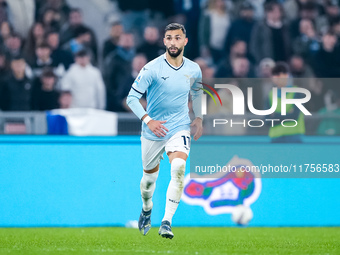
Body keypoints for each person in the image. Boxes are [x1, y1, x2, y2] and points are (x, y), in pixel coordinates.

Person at [126, 23, 203, 239]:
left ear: (185, 41)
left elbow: (197, 95)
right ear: (164, 41)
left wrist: (198, 118)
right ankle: (146, 209)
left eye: (177, 38)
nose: (173, 42)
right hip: (153, 130)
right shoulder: (152, 68)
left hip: (179, 126)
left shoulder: (193, 69)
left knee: (178, 167)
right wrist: (148, 120)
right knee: (149, 181)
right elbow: (131, 98)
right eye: (169, 38)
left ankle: (166, 222)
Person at [267, 62, 305, 143]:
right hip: (276, 137)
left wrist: (275, 115)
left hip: (294, 136)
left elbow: (294, 116)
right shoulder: (270, 95)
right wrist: (287, 114)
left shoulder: (297, 93)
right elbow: (267, 120)